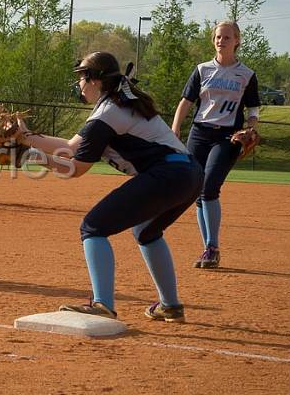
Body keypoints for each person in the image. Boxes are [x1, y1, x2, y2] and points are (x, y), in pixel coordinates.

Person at [15, 51, 203, 322]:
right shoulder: (118, 104)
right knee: (146, 231)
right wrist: (27, 138)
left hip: (168, 174)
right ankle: (170, 305)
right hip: (190, 174)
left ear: (95, 81)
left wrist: (34, 156)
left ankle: (102, 303)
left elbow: (75, 168)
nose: (79, 84)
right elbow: (70, 146)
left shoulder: (107, 113)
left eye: (82, 77)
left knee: (93, 226)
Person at [170, 21, 260, 269]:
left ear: (237, 41)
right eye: (218, 37)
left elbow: (253, 107)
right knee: (197, 189)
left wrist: (252, 127)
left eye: (227, 37)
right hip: (199, 134)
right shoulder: (202, 70)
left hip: (228, 137)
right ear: (214, 40)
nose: (221, 41)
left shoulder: (246, 74)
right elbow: (186, 102)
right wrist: (175, 128)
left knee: (209, 187)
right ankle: (208, 248)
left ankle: (212, 247)